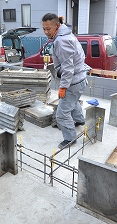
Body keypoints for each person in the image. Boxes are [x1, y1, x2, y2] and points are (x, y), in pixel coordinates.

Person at [41, 13, 87, 149]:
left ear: (57, 26)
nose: (46, 32)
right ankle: (80, 120)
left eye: (48, 29)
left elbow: (68, 68)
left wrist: (63, 87)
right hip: (80, 79)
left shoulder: (61, 41)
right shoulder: (67, 34)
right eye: (44, 28)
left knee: (62, 114)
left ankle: (70, 138)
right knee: (72, 102)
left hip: (72, 82)